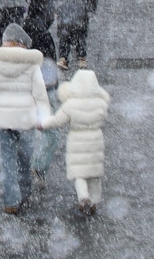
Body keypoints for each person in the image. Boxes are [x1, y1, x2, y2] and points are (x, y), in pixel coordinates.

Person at [0, 22, 52, 212]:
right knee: (25, 159)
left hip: (3, 121)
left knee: (7, 160)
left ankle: (11, 201)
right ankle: (25, 193)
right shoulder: (31, 64)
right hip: (25, 120)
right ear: (22, 43)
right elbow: (40, 94)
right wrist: (43, 116)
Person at [39, 69, 111, 215]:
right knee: (94, 174)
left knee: (80, 174)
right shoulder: (101, 103)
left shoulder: (70, 104)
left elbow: (57, 121)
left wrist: (42, 124)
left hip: (77, 140)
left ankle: (83, 196)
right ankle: (94, 201)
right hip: (95, 140)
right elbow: (104, 118)